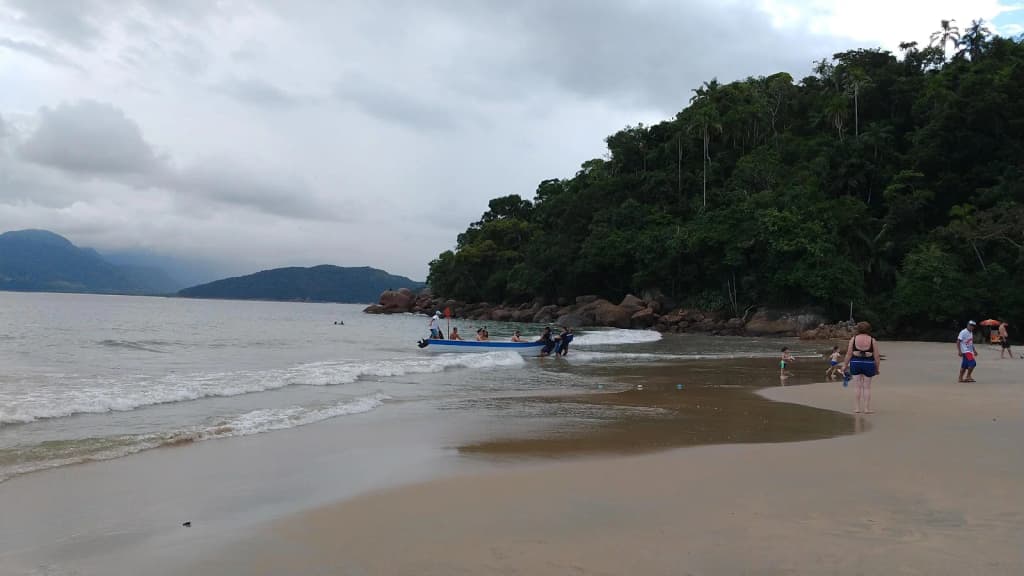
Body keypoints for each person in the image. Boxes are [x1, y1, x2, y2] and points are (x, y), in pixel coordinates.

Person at [843, 322, 880, 414]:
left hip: (856, 363)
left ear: (858, 329)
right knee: (867, 387)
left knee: (857, 386)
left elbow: (849, 354)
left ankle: (857, 408)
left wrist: (844, 365)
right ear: (868, 330)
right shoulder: (872, 340)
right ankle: (867, 409)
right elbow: (877, 356)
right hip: (869, 363)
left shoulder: (853, 339)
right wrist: (877, 368)